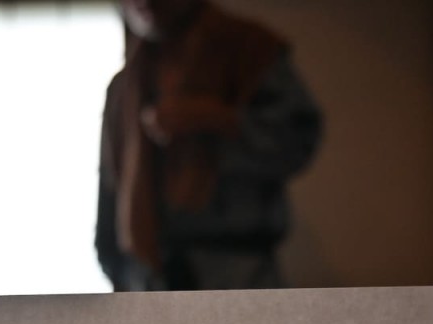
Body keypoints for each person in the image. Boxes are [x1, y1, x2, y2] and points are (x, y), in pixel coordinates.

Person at [96, 0, 322, 292]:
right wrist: (115, 266)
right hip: (147, 275)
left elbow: (297, 141)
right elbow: (111, 183)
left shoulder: (250, 52)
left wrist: (218, 121)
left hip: (236, 274)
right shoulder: (126, 84)